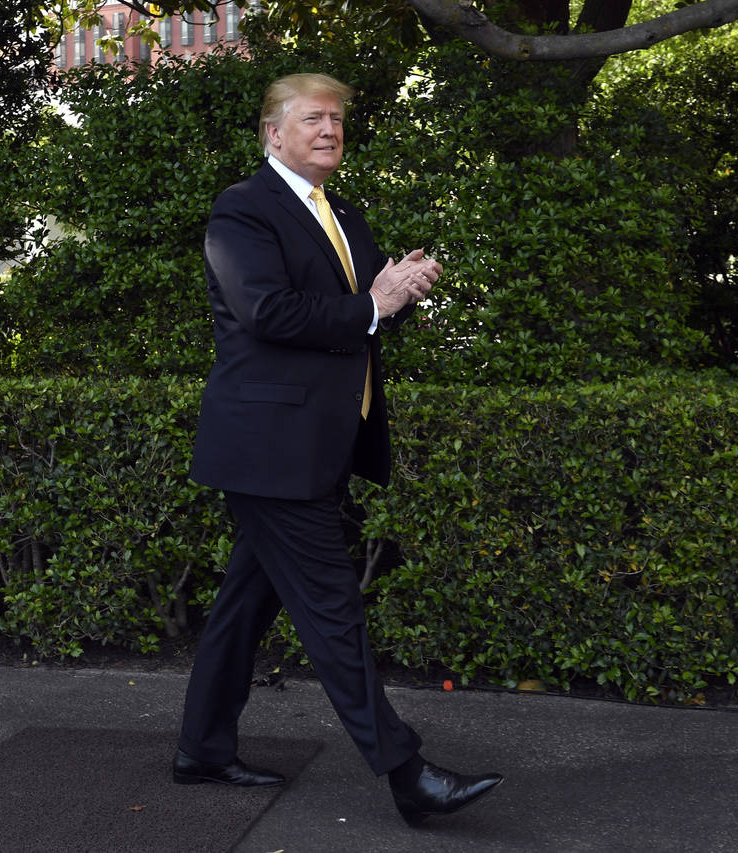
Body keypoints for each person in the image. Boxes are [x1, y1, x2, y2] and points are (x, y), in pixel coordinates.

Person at [173, 72, 503, 827]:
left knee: (245, 604)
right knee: (332, 609)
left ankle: (201, 748)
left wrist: (399, 290)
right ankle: (408, 774)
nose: (330, 129)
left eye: (337, 120)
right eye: (313, 118)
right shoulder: (243, 209)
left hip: (312, 445)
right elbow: (268, 311)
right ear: (273, 133)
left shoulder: (340, 211)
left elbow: (361, 314)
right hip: (269, 449)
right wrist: (373, 303)